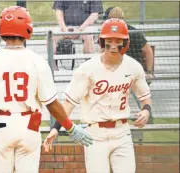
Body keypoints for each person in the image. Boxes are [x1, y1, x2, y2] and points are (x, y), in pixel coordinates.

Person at [0, 6, 93, 173]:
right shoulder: (37, 61)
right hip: (29, 126)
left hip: (1, 128)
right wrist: (70, 127)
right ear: (27, 28)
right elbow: (51, 104)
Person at [44, 18, 152, 173]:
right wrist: (55, 128)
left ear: (126, 42)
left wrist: (146, 110)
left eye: (118, 40)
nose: (114, 45)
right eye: (109, 40)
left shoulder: (133, 67)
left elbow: (145, 96)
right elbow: (69, 103)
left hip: (122, 131)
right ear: (101, 41)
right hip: (95, 134)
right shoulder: (87, 69)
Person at [103, 6, 155, 80]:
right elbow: (102, 53)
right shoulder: (107, 32)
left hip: (133, 70)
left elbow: (148, 50)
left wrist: (149, 72)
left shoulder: (133, 32)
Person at [52, 0, 103, 69]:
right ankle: (53, 69)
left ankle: (89, 67)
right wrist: (64, 29)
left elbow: (94, 15)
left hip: (86, 27)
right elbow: (58, 12)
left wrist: (79, 30)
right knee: (51, 36)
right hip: (66, 27)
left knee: (88, 35)